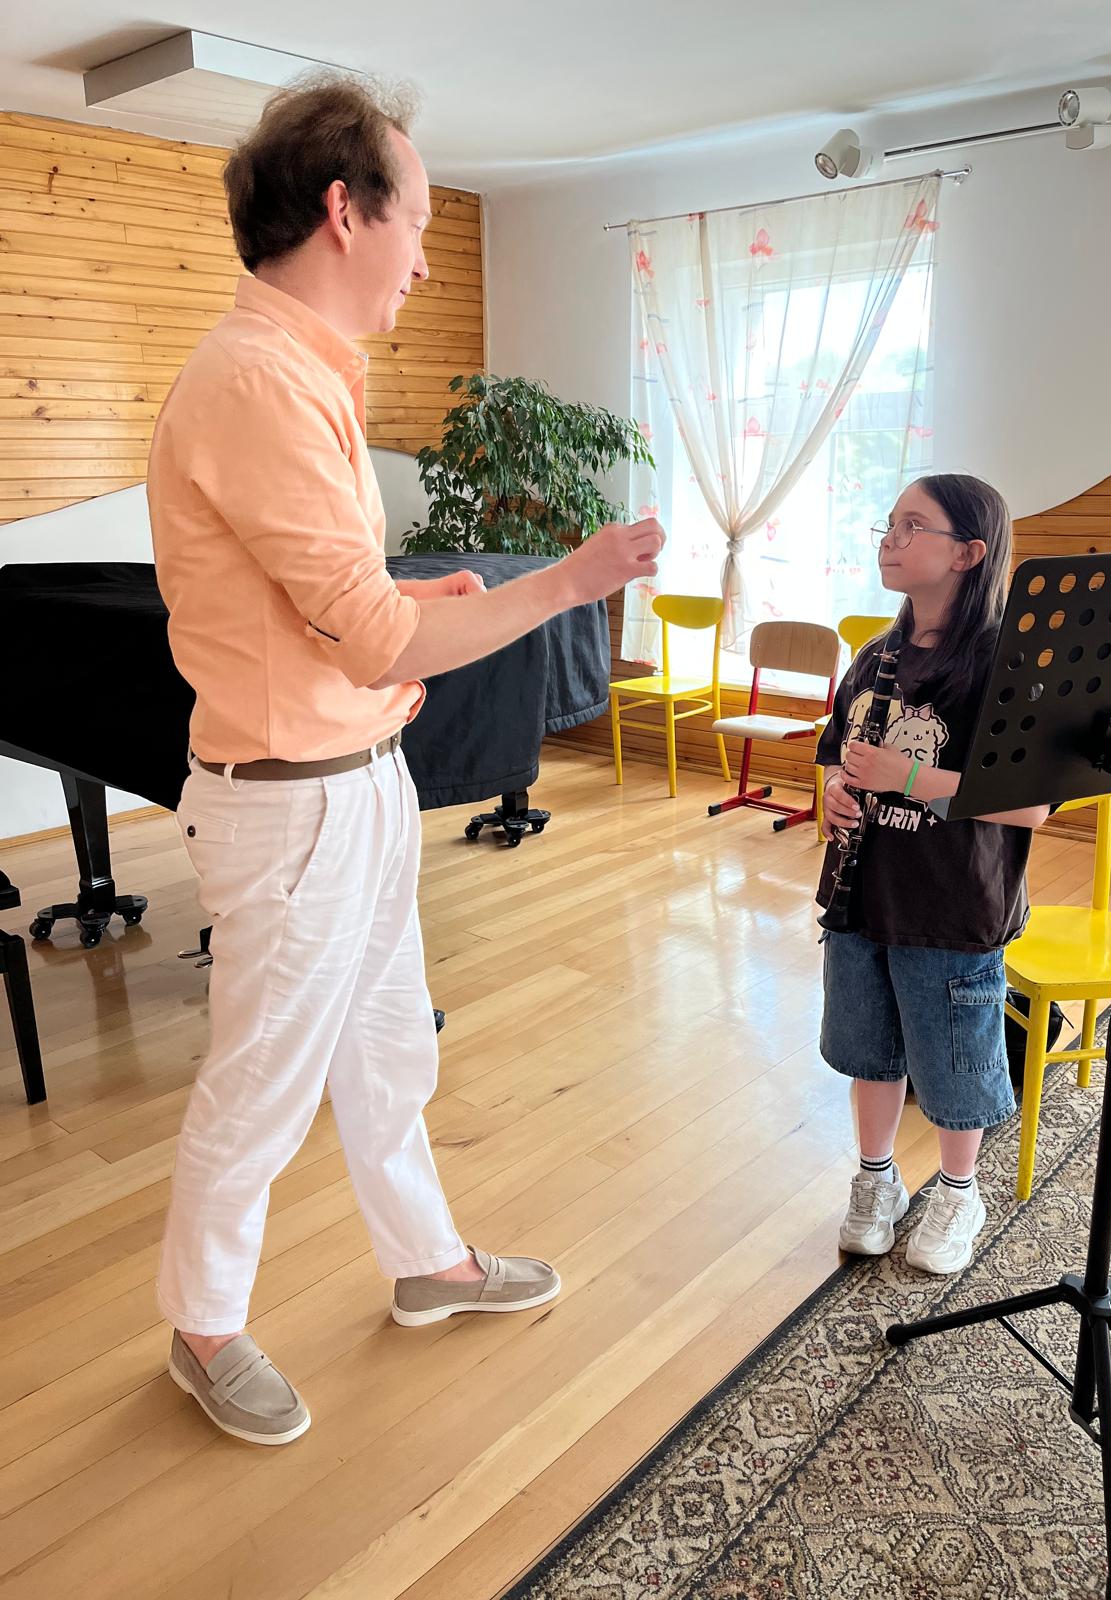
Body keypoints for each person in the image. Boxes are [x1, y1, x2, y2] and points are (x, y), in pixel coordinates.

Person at [146, 75, 664, 1446]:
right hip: (290, 810)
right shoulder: (256, 382)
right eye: (420, 220)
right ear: (344, 210)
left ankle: (427, 1263)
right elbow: (373, 644)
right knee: (263, 1084)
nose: (428, 257)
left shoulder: (301, 370)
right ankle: (204, 1325)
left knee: (386, 1052)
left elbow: (332, 609)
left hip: (354, 785)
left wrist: (414, 604)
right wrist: (568, 581)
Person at [815, 473, 1049, 1276]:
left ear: (968, 553)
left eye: (912, 525)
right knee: (869, 1052)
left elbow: (1029, 806)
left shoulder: (1001, 665)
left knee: (955, 1064)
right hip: (861, 899)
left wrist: (904, 777)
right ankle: (876, 1180)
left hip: (951, 907)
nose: (890, 537)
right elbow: (836, 757)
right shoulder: (874, 657)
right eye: (889, 522)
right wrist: (833, 792)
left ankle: (958, 1190)